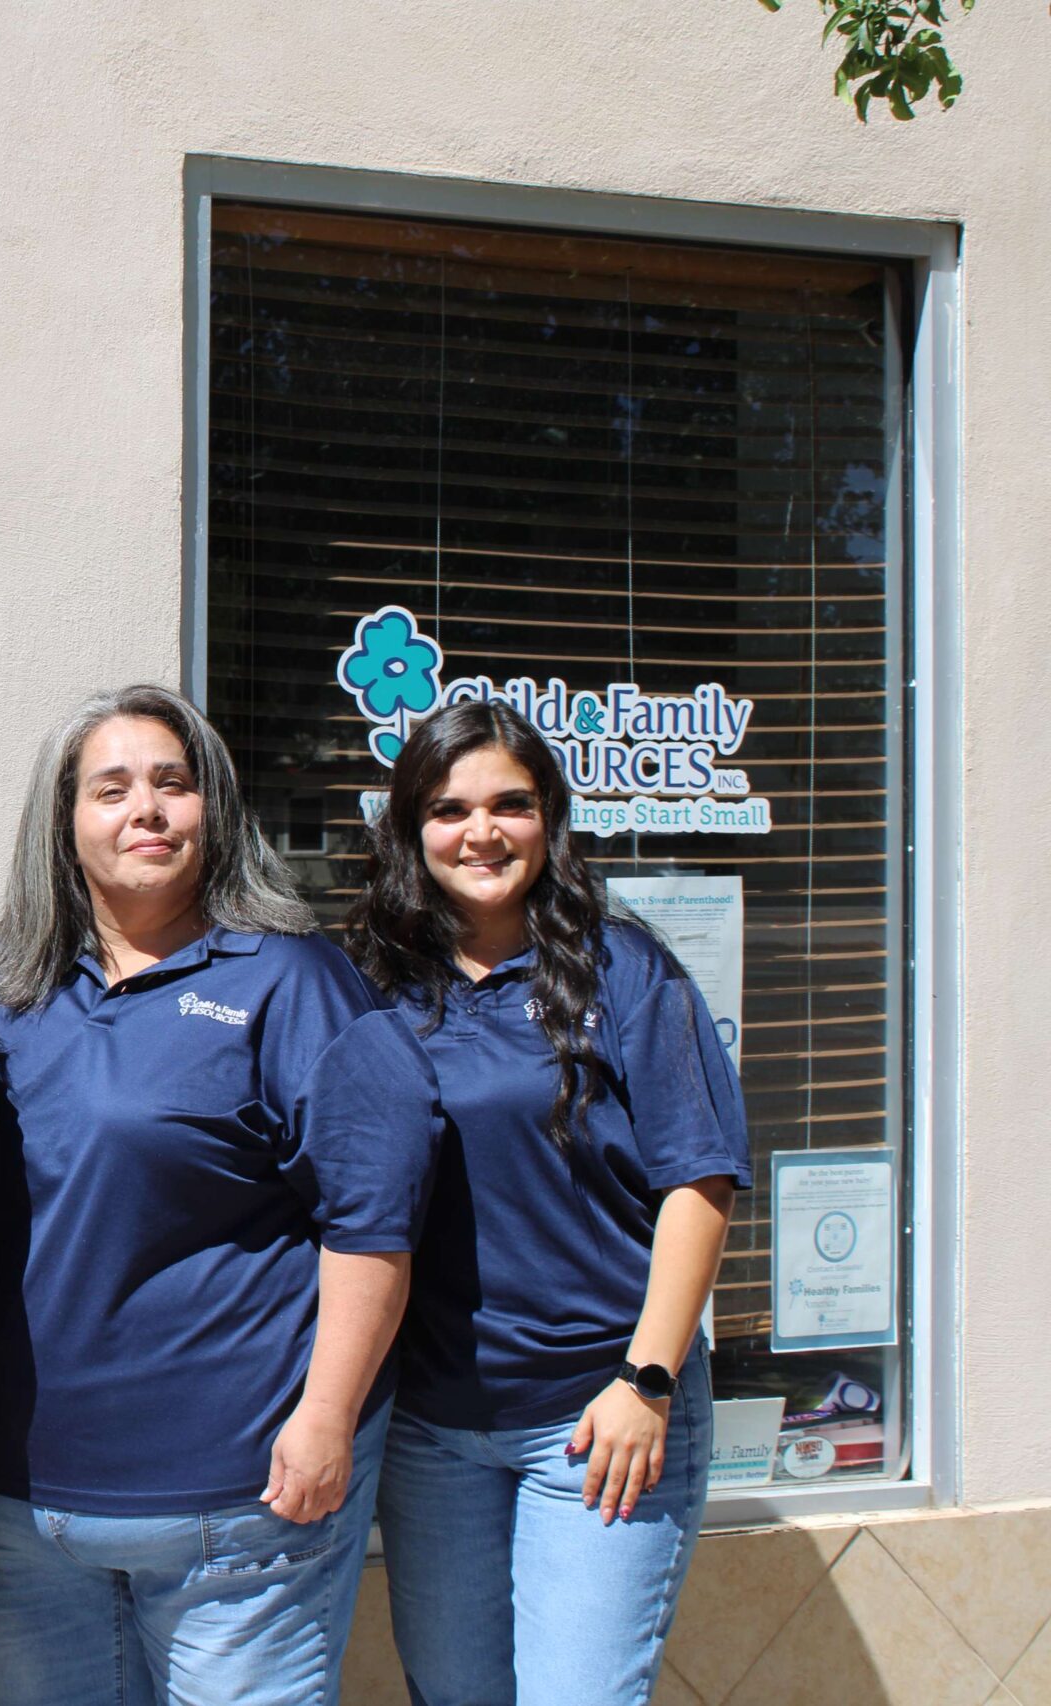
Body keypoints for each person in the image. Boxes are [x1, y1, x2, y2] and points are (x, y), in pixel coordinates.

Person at [0, 683, 440, 1706]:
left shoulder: (291, 982)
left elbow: (371, 1223)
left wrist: (326, 1415)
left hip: (243, 1511)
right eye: (112, 787)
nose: (147, 809)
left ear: (213, 809)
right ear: (62, 821)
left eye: (173, 784)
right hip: (25, 1515)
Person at [347, 699, 749, 1706]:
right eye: (448, 807)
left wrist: (646, 1375)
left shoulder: (625, 968)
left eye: (509, 803)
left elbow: (699, 1180)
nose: (480, 830)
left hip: (599, 1412)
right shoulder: (371, 982)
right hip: (434, 1425)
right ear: (410, 829)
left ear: (549, 818)